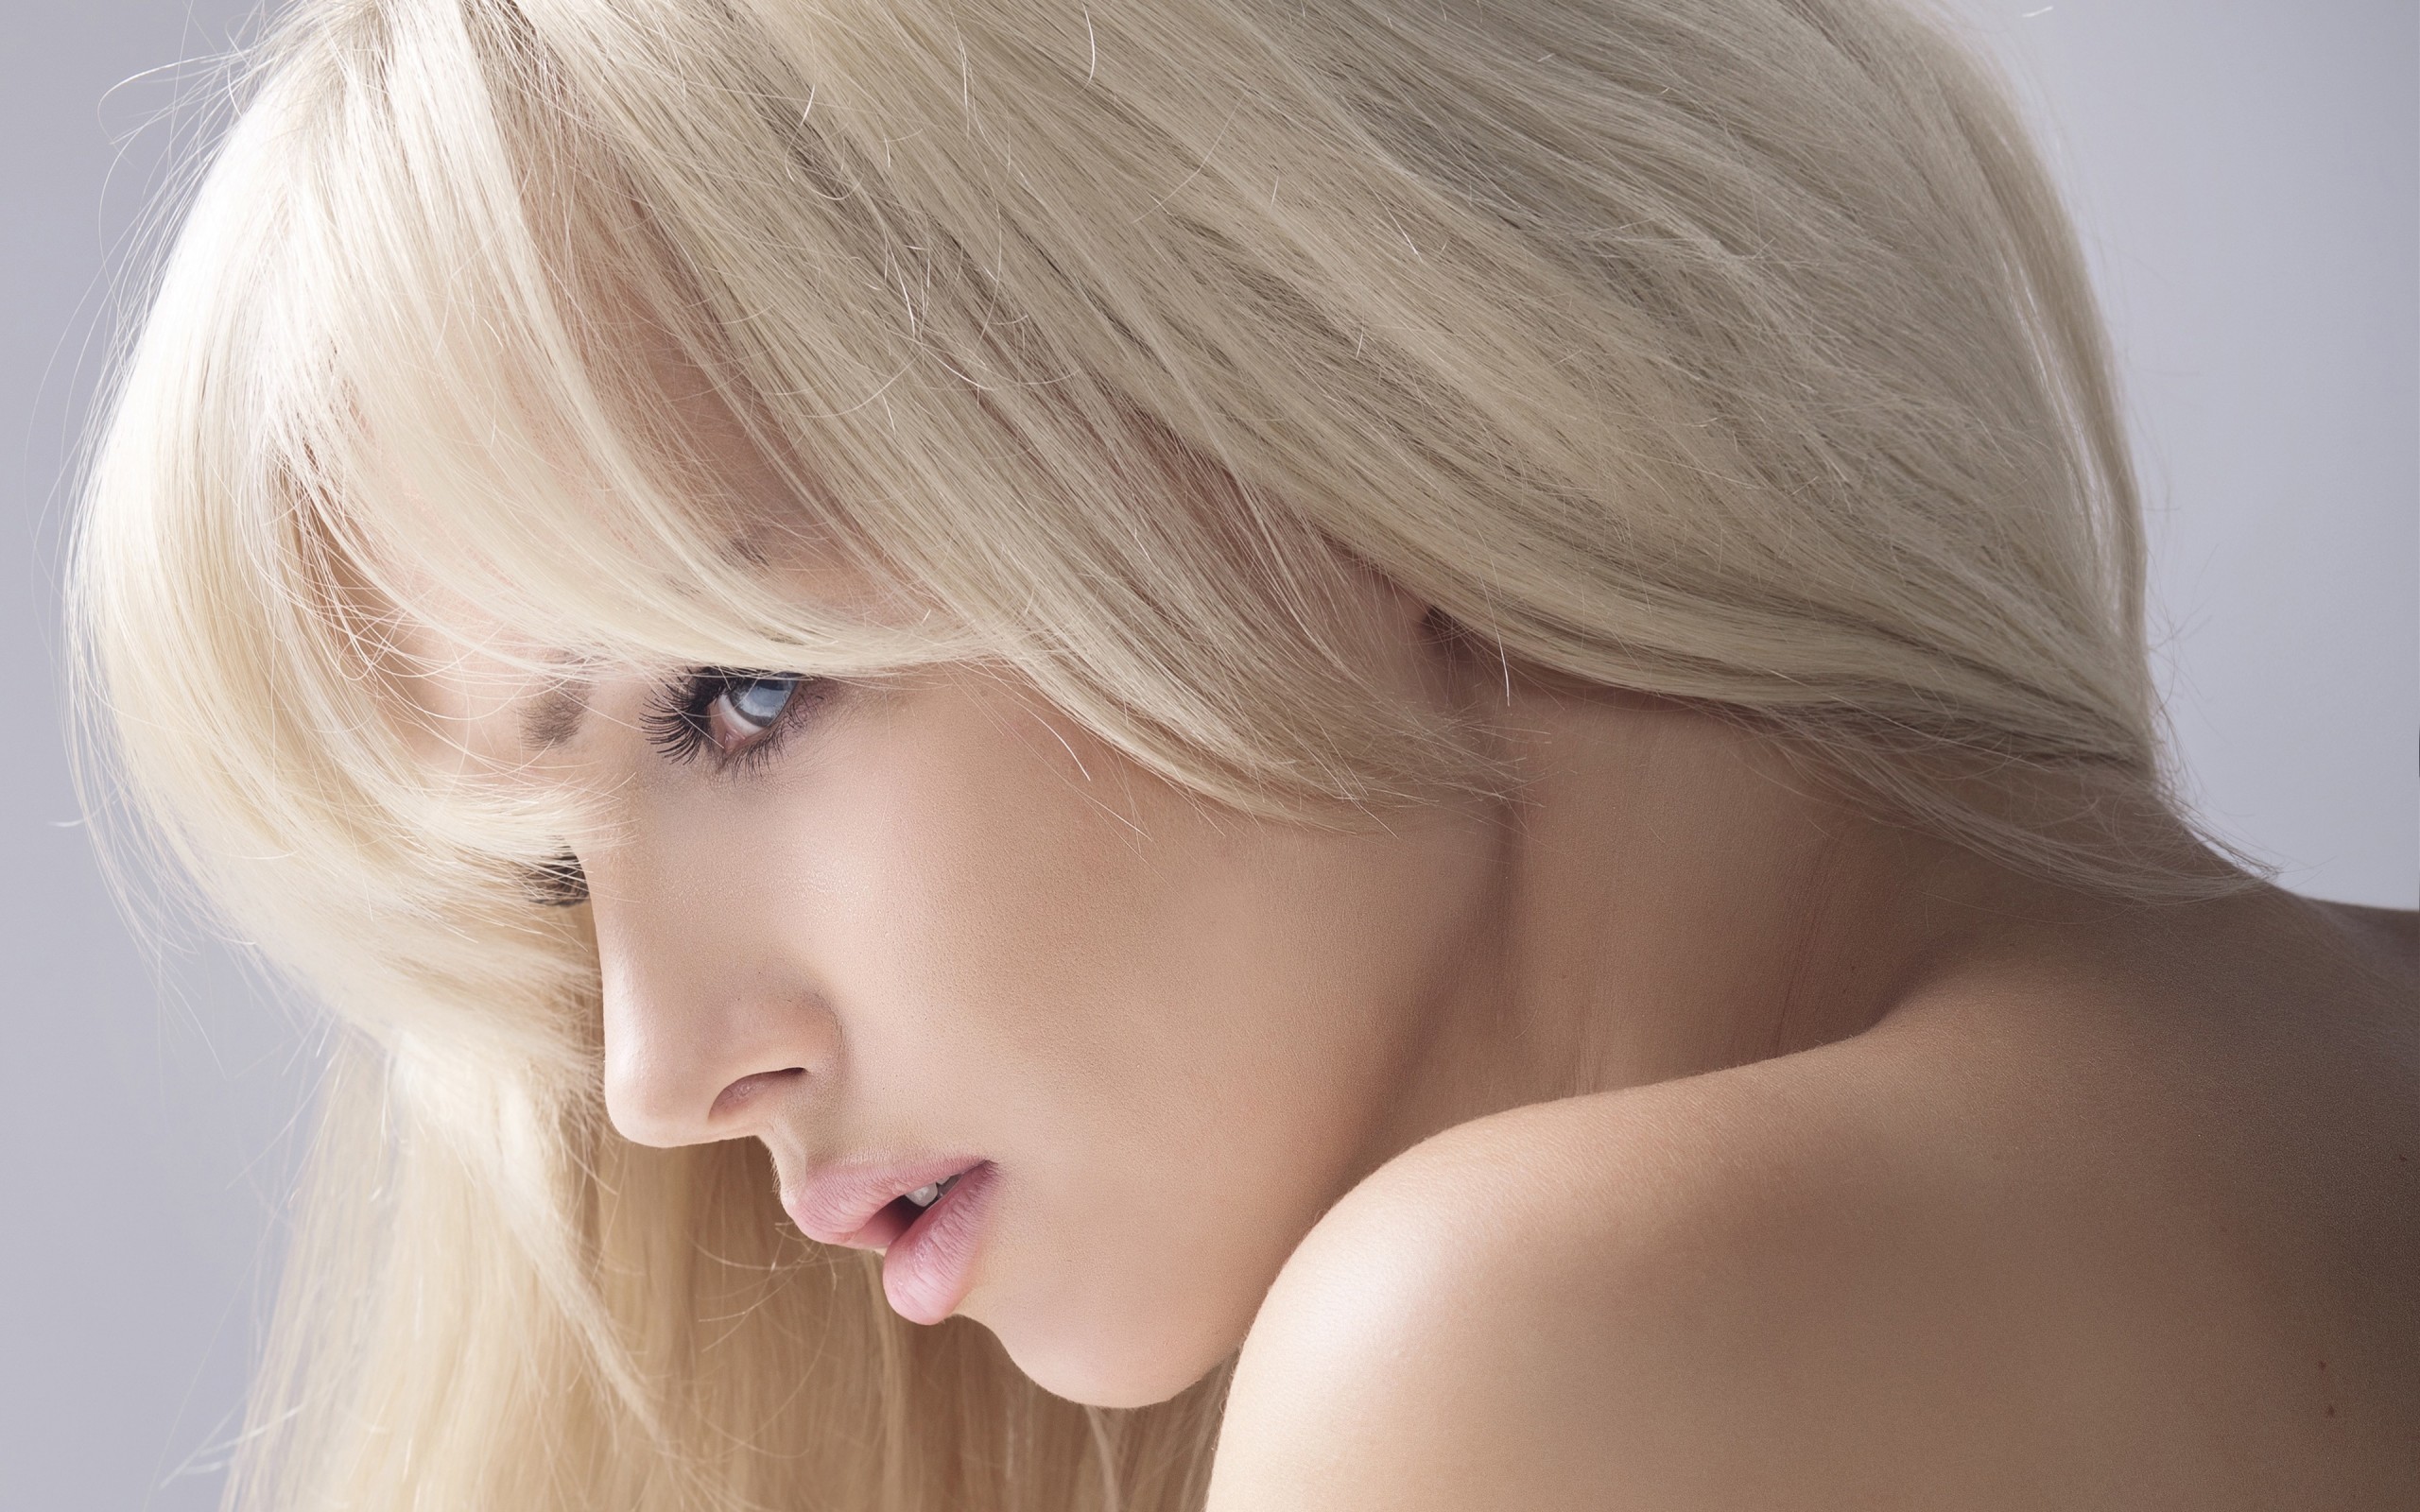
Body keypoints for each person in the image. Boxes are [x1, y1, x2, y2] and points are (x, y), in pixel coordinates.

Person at [70, 0, 2416, 1506]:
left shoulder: (1516, 1347)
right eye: (554, 876)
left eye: (737, 692)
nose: (660, 1074)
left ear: (1312, 368)